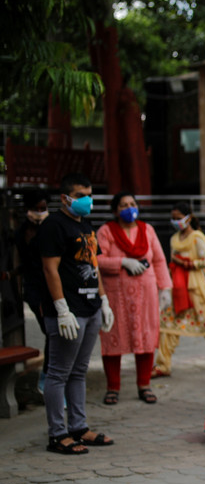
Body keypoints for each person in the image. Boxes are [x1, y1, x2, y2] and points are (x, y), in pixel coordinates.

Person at [39, 173, 116, 454]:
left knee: (79, 372)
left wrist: (104, 301)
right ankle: (57, 434)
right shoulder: (53, 226)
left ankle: (79, 427)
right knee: (59, 372)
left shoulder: (85, 223)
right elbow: (50, 269)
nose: (87, 199)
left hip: (91, 306)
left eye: (89, 194)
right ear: (65, 198)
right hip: (68, 311)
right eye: (80, 194)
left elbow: (93, 262)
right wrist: (61, 309)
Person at [96, 192, 172, 405]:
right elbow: (97, 259)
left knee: (146, 337)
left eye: (132, 204)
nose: (129, 208)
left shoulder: (147, 230)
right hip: (116, 295)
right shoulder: (106, 231)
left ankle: (144, 385)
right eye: (123, 205)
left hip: (145, 294)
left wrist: (165, 288)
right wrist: (122, 262)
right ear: (115, 210)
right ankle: (112, 387)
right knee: (113, 338)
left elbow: (158, 259)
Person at [155, 201, 205, 378]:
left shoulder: (197, 237)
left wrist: (187, 263)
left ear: (188, 218)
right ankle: (163, 364)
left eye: (178, 218)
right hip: (177, 287)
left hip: (195, 287)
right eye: (173, 219)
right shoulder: (174, 239)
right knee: (166, 324)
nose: (175, 221)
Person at [15, 189, 51, 394]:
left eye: (43, 208)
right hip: (35, 291)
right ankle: (47, 379)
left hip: (55, 289)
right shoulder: (22, 233)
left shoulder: (52, 227)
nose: (39, 212)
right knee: (51, 333)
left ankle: (52, 378)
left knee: (56, 336)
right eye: (35, 209)